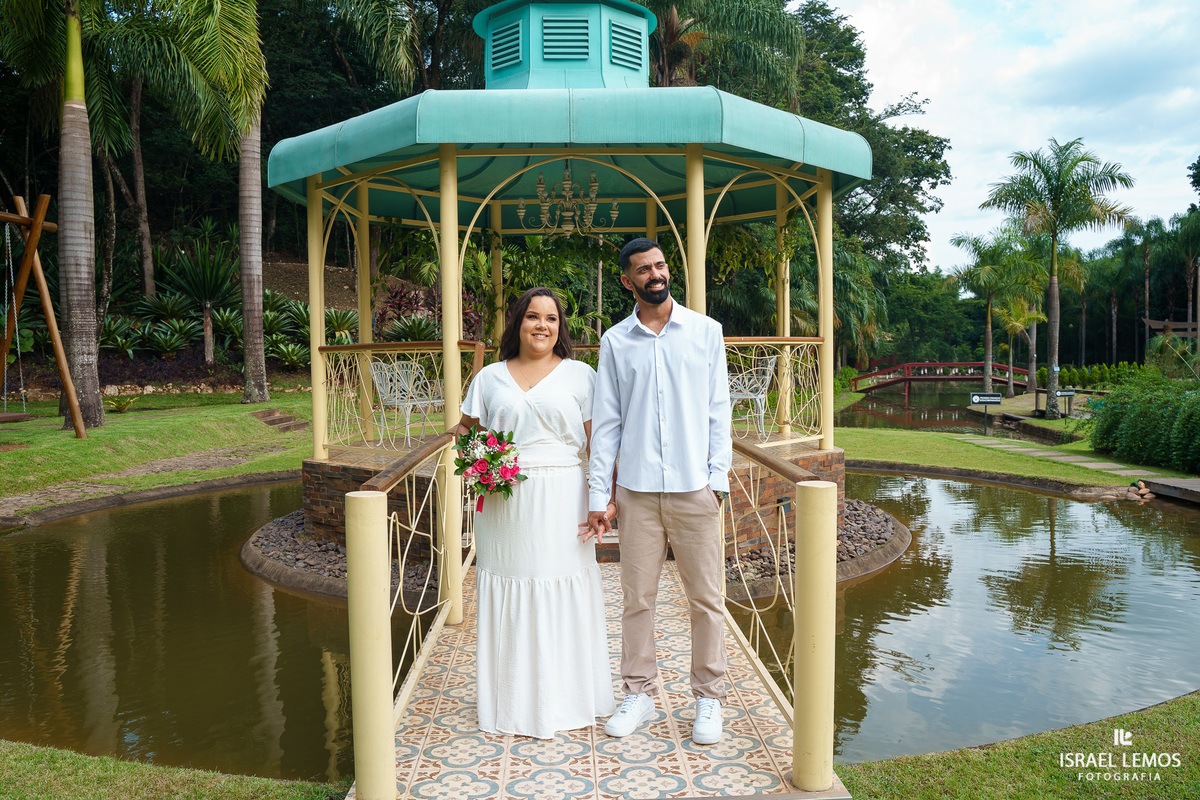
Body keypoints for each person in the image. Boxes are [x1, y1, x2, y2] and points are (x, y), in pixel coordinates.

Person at [584, 238, 733, 745]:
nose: (655, 274)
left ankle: (709, 699)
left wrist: (717, 481)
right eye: (643, 269)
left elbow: (719, 411)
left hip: (695, 487)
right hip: (637, 492)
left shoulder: (706, 332)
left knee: (706, 599)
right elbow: (606, 424)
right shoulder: (615, 341)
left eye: (660, 265)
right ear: (627, 281)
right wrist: (598, 497)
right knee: (636, 598)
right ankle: (639, 693)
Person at [454, 287, 616, 739]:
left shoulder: (582, 375)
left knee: (560, 586)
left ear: (560, 327)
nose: (542, 325)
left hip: (564, 496)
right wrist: (481, 461)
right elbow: (466, 431)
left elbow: (600, 445)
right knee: (509, 586)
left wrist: (606, 499)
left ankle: (565, 701)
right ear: (517, 323)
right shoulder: (489, 377)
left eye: (550, 318)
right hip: (505, 503)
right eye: (532, 317)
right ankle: (512, 703)